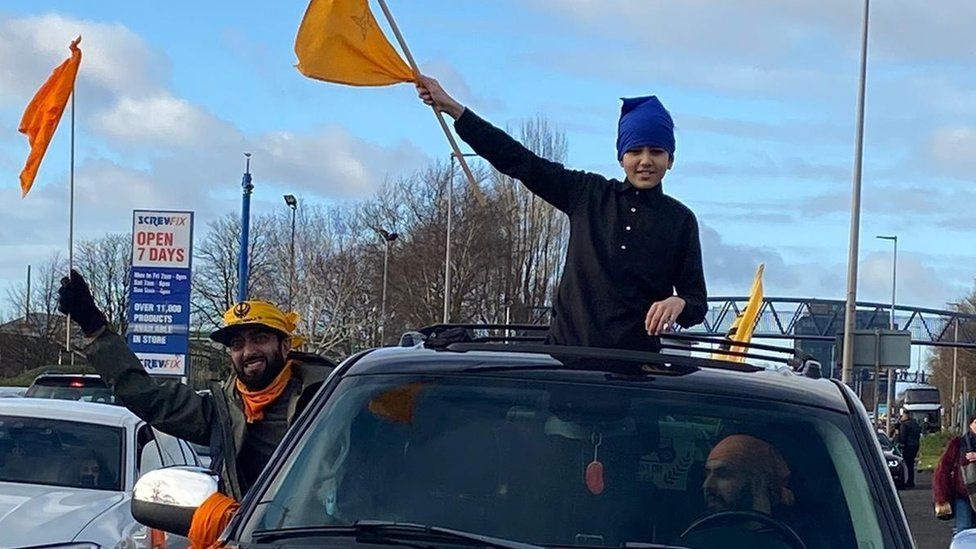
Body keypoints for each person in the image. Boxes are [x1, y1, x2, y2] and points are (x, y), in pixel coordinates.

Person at [416, 77, 707, 352]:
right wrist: (454, 109)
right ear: (621, 157)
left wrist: (678, 302)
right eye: (635, 151)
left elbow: (697, 303)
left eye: (656, 151)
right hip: (567, 364)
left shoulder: (680, 221)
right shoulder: (587, 194)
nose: (645, 161)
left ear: (670, 159)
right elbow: (520, 161)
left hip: (638, 372)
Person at [57, 270, 333, 546]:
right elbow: (149, 397)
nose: (248, 351)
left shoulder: (331, 401)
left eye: (260, 338)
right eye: (237, 344)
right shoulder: (221, 411)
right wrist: (95, 328)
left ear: (285, 346)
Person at [934, 413, 976, 534]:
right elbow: (943, 469)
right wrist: (941, 496)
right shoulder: (958, 444)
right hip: (963, 495)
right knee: (964, 529)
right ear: (970, 424)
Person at [893, 410, 921, 488]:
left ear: (905, 416)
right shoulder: (915, 424)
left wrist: (899, 439)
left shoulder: (904, 425)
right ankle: (910, 480)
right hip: (915, 445)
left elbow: (902, 437)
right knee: (911, 464)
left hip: (907, 446)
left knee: (907, 464)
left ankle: (909, 481)